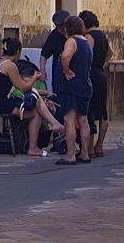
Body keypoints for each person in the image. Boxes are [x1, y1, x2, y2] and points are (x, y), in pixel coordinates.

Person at [0, 37, 65, 157]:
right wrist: (34, 78)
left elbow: (19, 84)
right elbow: (23, 87)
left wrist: (40, 90)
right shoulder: (10, 66)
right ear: (17, 52)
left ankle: (53, 124)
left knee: (35, 98)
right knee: (35, 114)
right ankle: (33, 146)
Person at [53, 15, 93, 166]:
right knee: (83, 120)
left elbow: (65, 56)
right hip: (84, 85)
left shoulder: (72, 41)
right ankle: (84, 153)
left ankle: (70, 155)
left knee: (69, 120)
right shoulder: (86, 42)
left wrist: (66, 70)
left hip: (71, 87)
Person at [79, 9, 113, 157]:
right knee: (103, 113)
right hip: (101, 73)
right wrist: (101, 62)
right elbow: (110, 53)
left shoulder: (89, 37)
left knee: (90, 111)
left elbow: (87, 53)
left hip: (91, 74)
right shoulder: (102, 36)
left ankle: (90, 147)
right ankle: (99, 145)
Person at [39, 9, 70, 90]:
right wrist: (42, 70)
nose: (59, 30)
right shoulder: (54, 35)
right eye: (57, 27)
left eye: (62, 28)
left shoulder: (75, 36)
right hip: (58, 79)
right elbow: (44, 54)